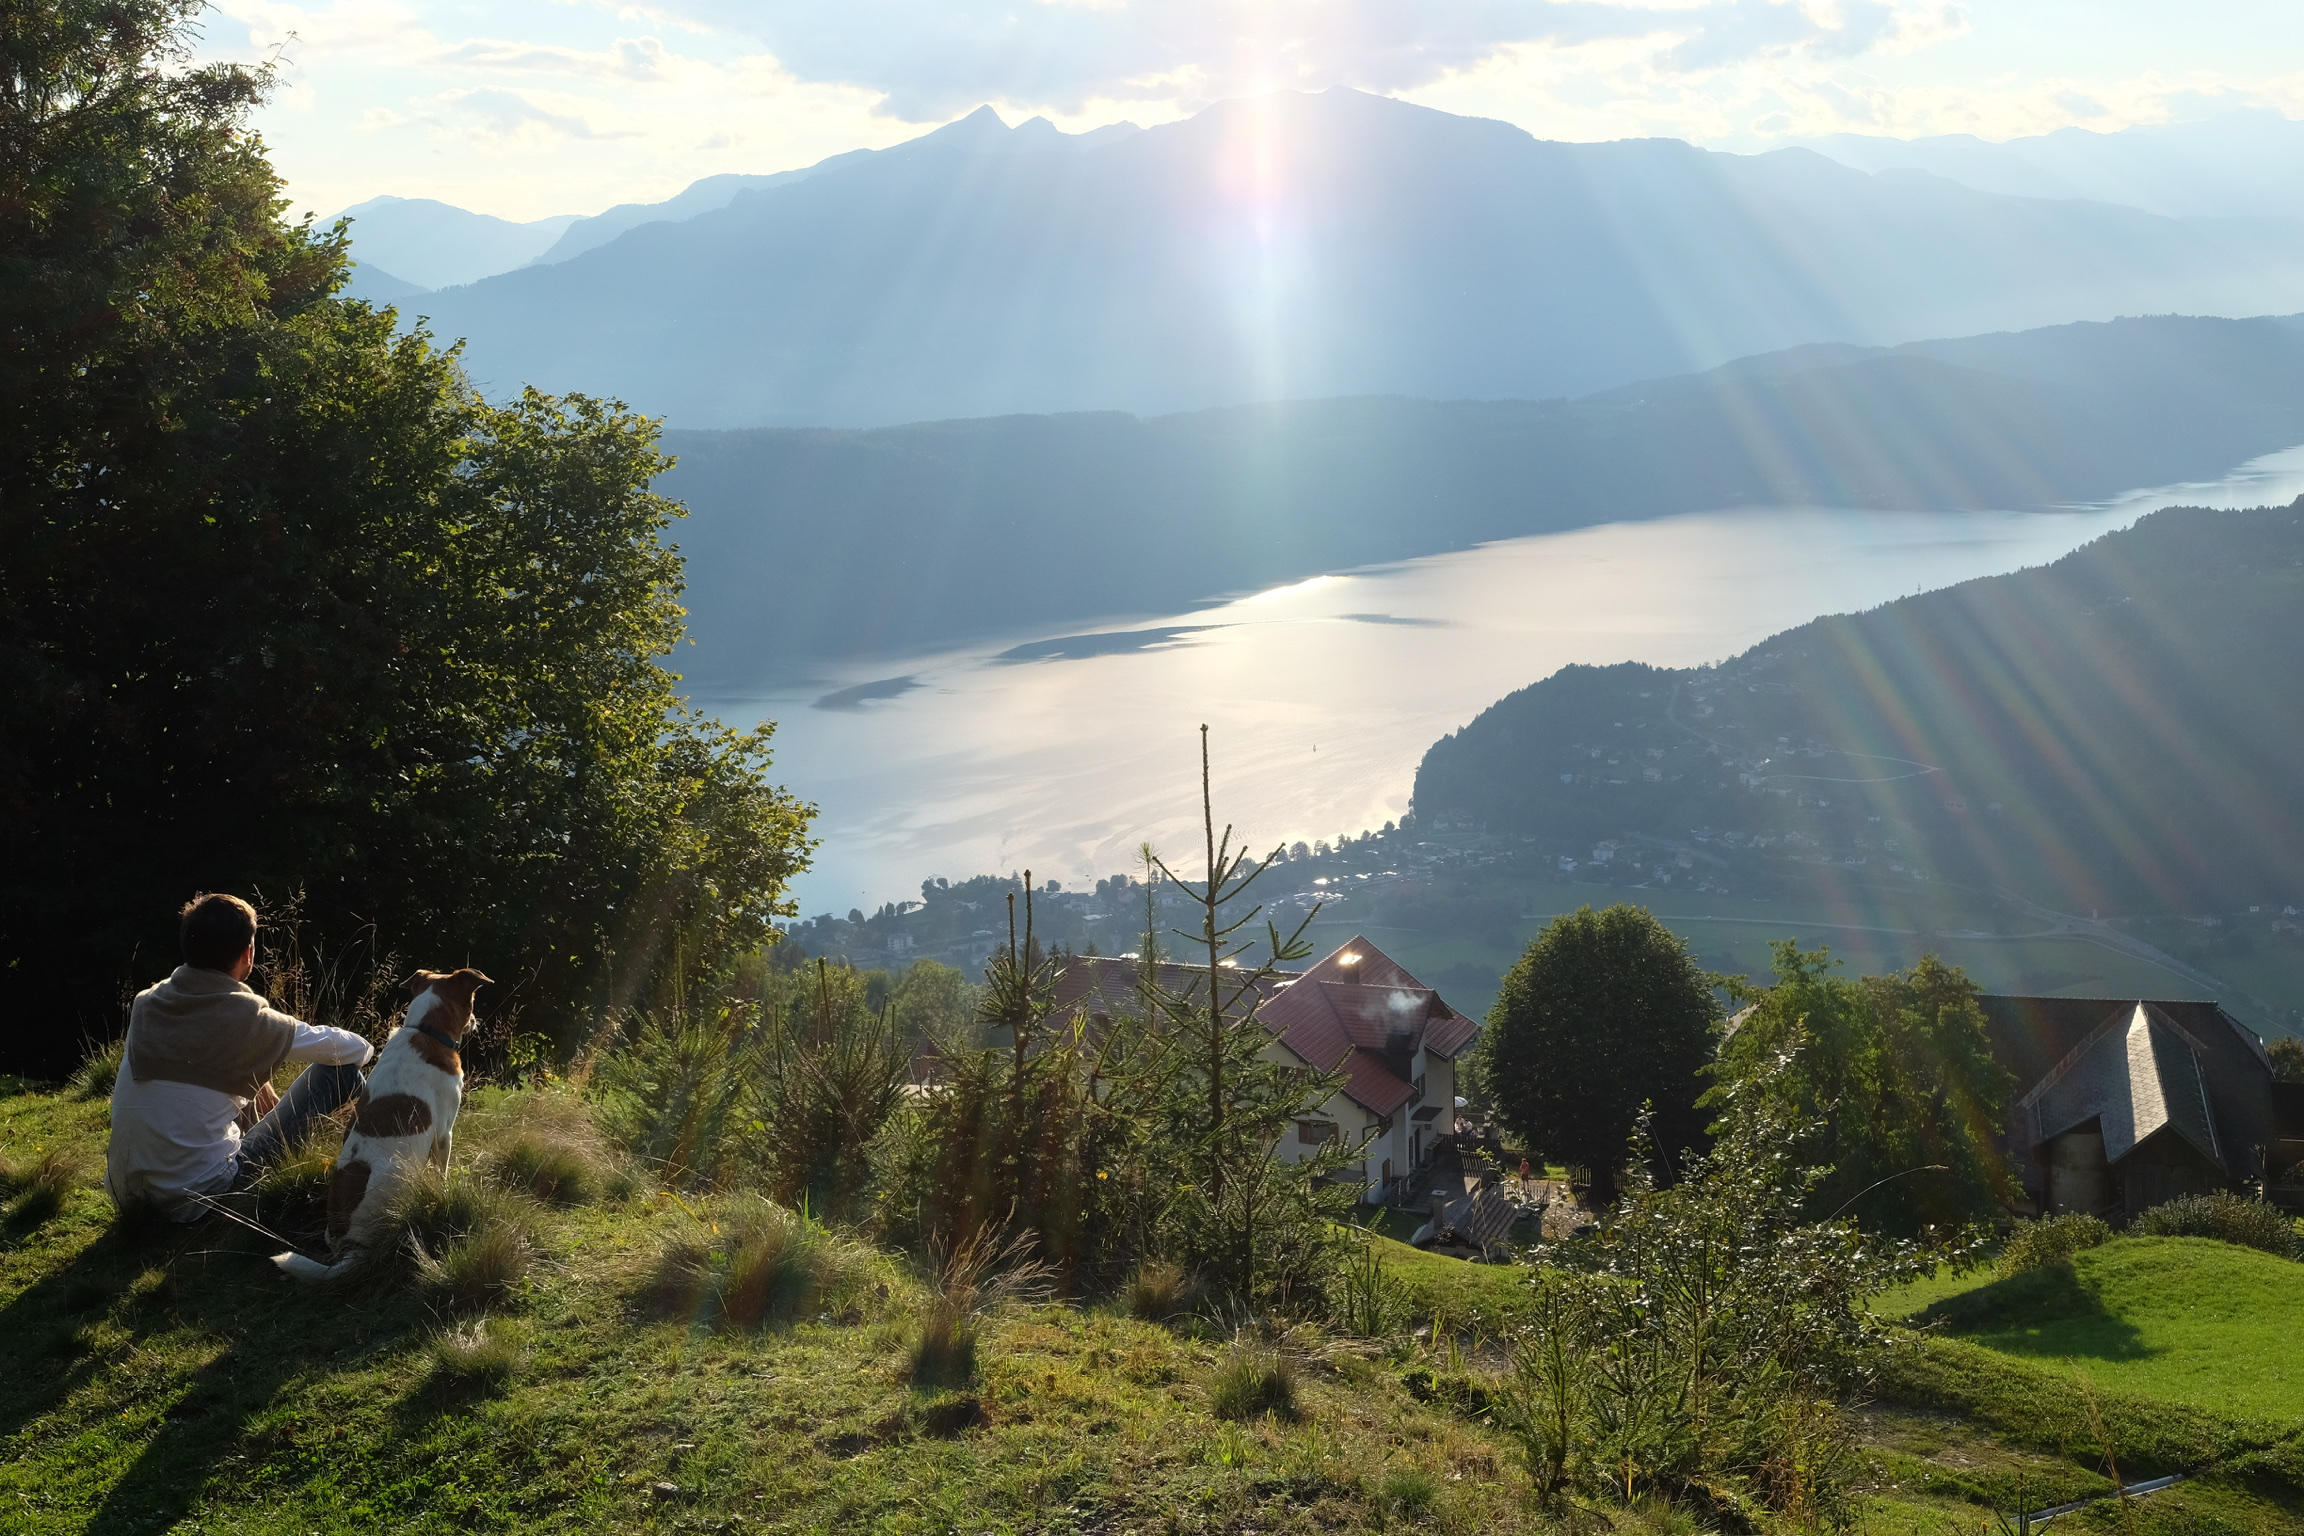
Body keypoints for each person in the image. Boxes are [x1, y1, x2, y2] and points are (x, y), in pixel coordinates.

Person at [106, 893, 374, 1219]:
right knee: (341, 1073)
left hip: (127, 1195)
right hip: (204, 1200)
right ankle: (364, 1169)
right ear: (248, 953)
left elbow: (198, 1060)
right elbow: (354, 1049)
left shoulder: (147, 1003)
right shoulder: (247, 1018)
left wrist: (259, 1071)